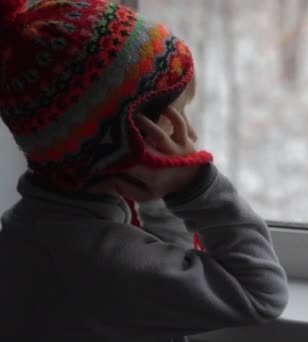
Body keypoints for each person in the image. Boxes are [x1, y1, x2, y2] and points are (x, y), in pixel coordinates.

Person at [0, 0, 289, 341]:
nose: (190, 137)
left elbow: (165, 256)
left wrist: (153, 192)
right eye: (174, 123)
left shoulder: (35, 232)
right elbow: (262, 292)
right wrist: (194, 185)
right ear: (123, 144)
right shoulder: (103, 266)